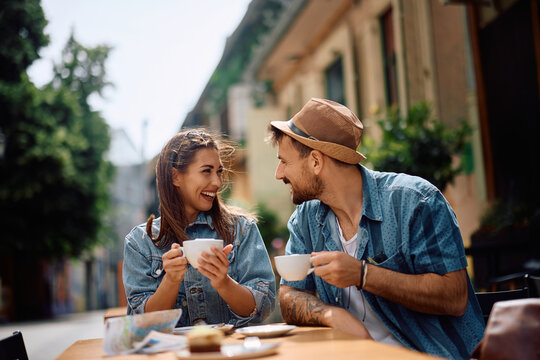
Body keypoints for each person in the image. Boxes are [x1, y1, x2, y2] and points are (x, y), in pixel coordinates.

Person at [266, 98, 484, 359]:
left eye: (284, 162)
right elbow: (290, 294)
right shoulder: (306, 219)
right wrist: (332, 315)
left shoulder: (415, 201)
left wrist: (363, 275)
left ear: (315, 161)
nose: (279, 174)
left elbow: (455, 297)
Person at [123, 129, 275, 327]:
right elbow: (143, 323)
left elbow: (264, 306)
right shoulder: (140, 242)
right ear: (175, 177)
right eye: (206, 171)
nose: (217, 182)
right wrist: (170, 281)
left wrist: (224, 282)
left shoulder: (242, 229)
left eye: (219, 171)